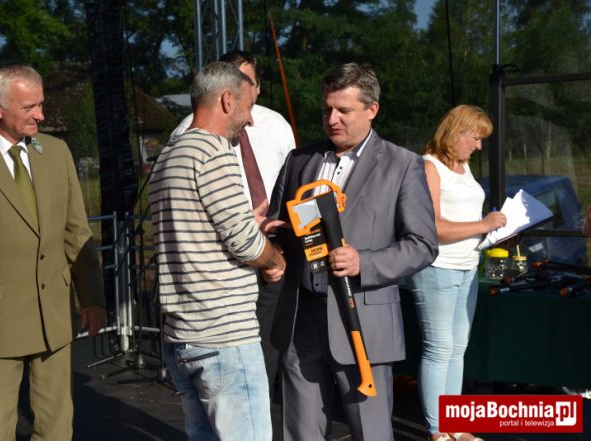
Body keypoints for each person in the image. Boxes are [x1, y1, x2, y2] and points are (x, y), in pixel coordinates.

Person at [0, 64, 106, 440]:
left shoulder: (56, 152)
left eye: (41, 104)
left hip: (54, 318)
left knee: (57, 427)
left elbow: (77, 233)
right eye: (29, 107)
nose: (40, 115)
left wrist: (92, 298)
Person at [267, 62, 438, 441]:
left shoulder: (402, 164)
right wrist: (273, 249)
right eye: (327, 109)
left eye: (343, 110)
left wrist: (365, 262)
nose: (332, 119)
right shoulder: (299, 161)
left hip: (364, 321)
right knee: (300, 434)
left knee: (371, 433)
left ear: (372, 109)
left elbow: (423, 245)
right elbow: (280, 226)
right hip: (302, 320)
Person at [149, 61, 286, 441]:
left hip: (183, 334)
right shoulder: (213, 151)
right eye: (247, 106)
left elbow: (193, 233)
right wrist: (275, 258)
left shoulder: (168, 156)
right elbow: (243, 243)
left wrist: (250, 228)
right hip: (224, 335)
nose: (249, 118)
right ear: (228, 100)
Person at [169, 51, 296, 392]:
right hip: (224, 276)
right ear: (227, 95)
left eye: (249, 82)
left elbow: (291, 186)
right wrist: (263, 248)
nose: (245, 94)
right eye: (237, 84)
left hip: (271, 252)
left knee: (267, 356)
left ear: (258, 87)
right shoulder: (198, 140)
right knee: (239, 384)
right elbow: (220, 225)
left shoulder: (276, 125)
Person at [405, 105, 506, 441]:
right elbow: (432, 227)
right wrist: (483, 225)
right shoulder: (429, 166)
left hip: (467, 267)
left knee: (457, 347)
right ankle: (437, 431)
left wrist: (494, 232)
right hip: (438, 268)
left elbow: (466, 221)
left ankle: (455, 424)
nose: (478, 146)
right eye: (475, 138)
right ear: (456, 132)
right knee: (439, 348)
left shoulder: (463, 166)